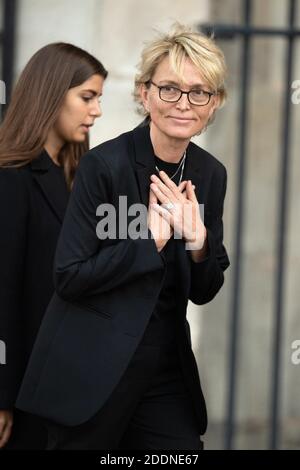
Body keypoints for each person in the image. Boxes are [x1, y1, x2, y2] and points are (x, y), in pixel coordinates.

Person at [16, 24, 230, 450]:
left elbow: (206, 290)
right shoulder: (104, 166)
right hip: (93, 370)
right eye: (169, 89)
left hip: (165, 373)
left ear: (215, 103)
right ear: (144, 93)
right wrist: (146, 241)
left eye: (198, 92)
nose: (183, 104)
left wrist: (199, 241)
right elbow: (70, 276)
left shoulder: (210, 174)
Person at [0, 43, 107, 449]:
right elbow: (3, 290)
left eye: (98, 99)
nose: (95, 111)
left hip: (71, 386)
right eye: (87, 97)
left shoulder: (81, 178)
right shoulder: (12, 175)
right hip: (25, 386)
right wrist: (2, 397)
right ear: (50, 93)